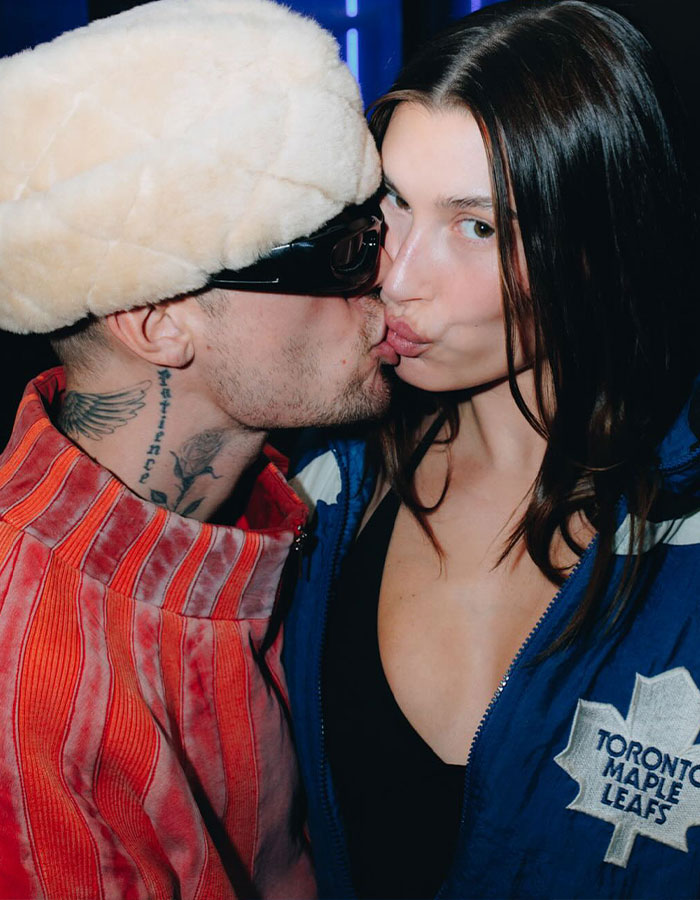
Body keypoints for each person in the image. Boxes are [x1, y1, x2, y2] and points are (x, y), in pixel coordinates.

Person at [284, 1, 700, 897]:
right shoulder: (321, 491)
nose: (395, 278)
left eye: (477, 227)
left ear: (600, 247)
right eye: (390, 206)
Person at [0, 0, 396, 896]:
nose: (385, 284)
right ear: (160, 321)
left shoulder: (284, 516)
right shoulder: (28, 676)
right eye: (337, 252)